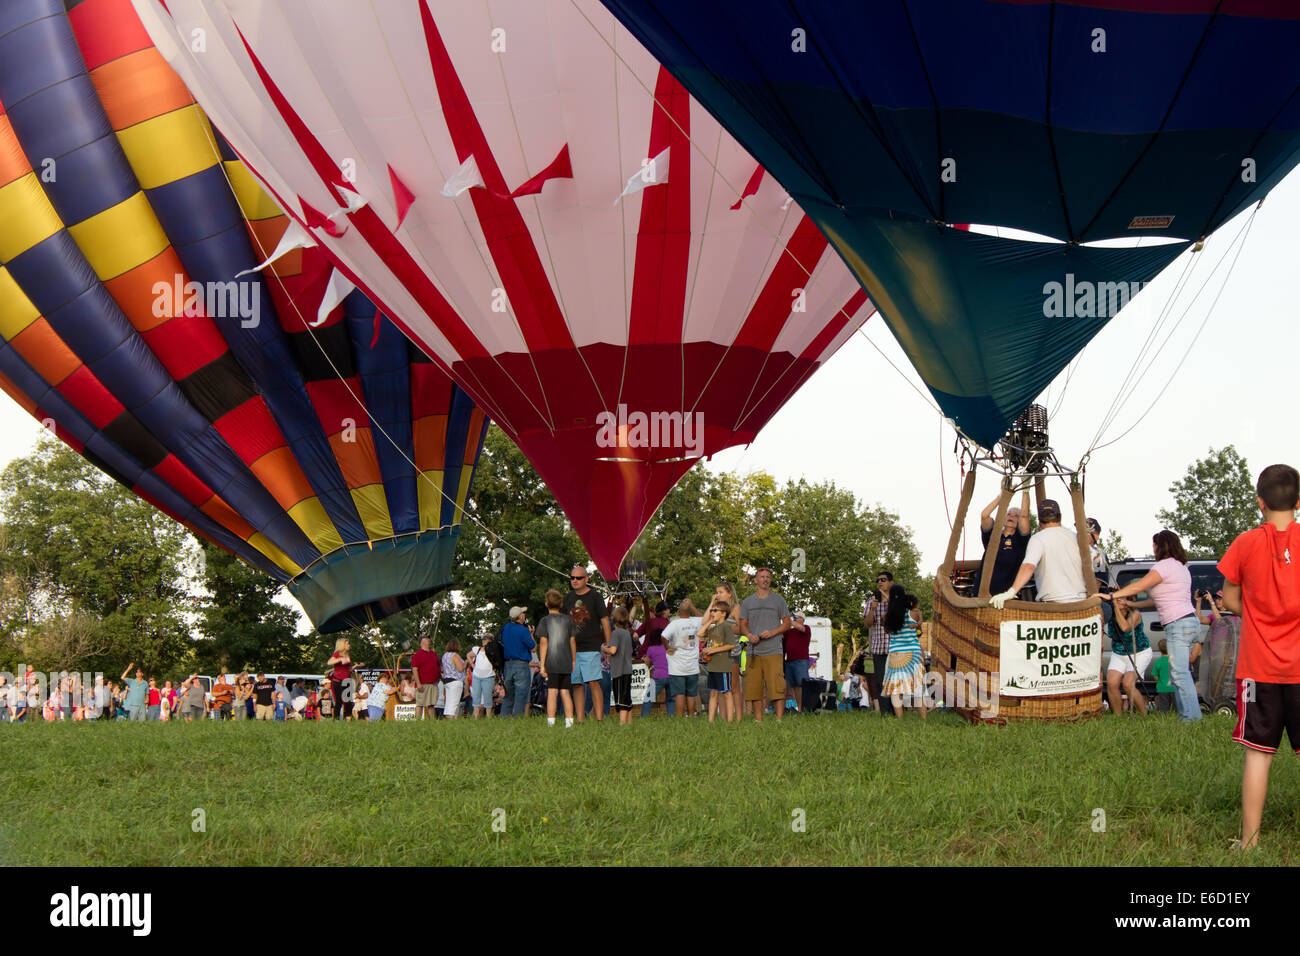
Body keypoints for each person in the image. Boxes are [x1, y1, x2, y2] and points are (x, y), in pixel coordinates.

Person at [1217, 463, 1300, 849]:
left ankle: (1249, 841)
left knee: (1258, 756)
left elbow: (1230, 598)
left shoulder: (1245, 543)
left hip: (1258, 671)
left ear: (1259, 502)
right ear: (1299, 502)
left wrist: (1255, 611)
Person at [1103, 530, 1200, 722]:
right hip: (1188, 621)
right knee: (1178, 672)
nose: (1153, 548)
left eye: (1154, 544)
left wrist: (1113, 596)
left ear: (1161, 546)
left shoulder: (1164, 566)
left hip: (1178, 624)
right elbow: (1157, 600)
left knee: (1180, 673)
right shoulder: (1180, 567)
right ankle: (1186, 714)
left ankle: (1191, 719)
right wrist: (1132, 604)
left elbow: (1140, 586)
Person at [990, 499, 1088, 608]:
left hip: (1054, 605)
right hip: (1081, 603)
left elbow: (1028, 566)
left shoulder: (1038, 539)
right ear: (1060, 516)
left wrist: (1011, 592)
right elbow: (1092, 562)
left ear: (1039, 521)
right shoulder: (1075, 537)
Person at [739, 567, 791, 722]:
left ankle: (779, 719)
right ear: (755, 580)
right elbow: (742, 624)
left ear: (770, 580)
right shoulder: (748, 602)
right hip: (754, 651)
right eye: (762, 577)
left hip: (774, 649)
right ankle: (758, 719)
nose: (765, 579)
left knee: (777, 686)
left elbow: (787, 623)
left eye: (768, 577)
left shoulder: (778, 600)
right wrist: (749, 635)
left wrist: (773, 632)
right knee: (754, 688)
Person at [564, 565, 611, 723]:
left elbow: (605, 621)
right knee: (576, 683)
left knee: (593, 681)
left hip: (591, 645)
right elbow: (563, 622)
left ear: (586, 579)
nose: (575, 581)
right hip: (572, 648)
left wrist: (608, 644)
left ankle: (599, 718)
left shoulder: (595, 597)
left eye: (579, 578)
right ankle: (580, 719)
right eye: (572, 578)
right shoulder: (568, 598)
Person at [880, 585, 927, 719]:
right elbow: (919, 628)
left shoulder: (886, 616)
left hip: (896, 655)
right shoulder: (914, 612)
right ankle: (923, 720)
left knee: (896, 689)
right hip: (914, 654)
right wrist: (918, 622)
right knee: (918, 688)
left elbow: (887, 632)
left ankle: (899, 719)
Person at [978, 490, 1031, 595]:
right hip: (983, 594)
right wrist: (1002, 496)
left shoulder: (1020, 540)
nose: (1011, 517)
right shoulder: (993, 536)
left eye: (1016, 516)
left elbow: (1025, 516)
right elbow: (984, 516)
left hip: (1006, 596)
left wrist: (1025, 491)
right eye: (1009, 514)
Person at [537, 589, 577, 727]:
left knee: (552, 692)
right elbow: (572, 641)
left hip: (552, 662)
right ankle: (570, 722)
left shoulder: (545, 621)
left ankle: (551, 723)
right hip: (566, 661)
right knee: (565, 691)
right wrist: (573, 660)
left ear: (546, 604)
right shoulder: (568, 620)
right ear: (561, 604)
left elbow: (543, 643)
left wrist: (542, 664)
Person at [1106, 596, 1150, 715]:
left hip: (1139, 653)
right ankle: (1118, 716)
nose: (1116, 601)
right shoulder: (1111, 613)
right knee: (1111, 683)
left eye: (1120, 599)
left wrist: (1115, 607)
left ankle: (1144, 715)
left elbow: (1125, 627)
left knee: (1128, 684)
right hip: (1118, 653)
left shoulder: (1135, 614)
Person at [662, 599, 702, 717]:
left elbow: (663, 636)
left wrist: (667, 648)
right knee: (691, 694)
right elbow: (703, 617)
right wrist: (693, 606)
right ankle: (691, 715)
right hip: (692, 665)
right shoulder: (696, 622)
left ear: (678, 612)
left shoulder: (674, 623)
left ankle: (679, 717)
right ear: (690, 611)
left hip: (677, 665)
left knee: (679, 694)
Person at [700, 602, 738, 722]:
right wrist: (709, 622)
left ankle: (730, 720)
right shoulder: (713, 628)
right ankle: (710, 721)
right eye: (711, 610)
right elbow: (699, 634)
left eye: (715, 610)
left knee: (726, 693)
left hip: (723, 666)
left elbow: (731, 645)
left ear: (723, 613)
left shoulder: (726, 627)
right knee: (713, 693)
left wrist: (713, 650)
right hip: (712, 666)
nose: (712, 613)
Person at [862, 574, 894, 715]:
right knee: (881, 681)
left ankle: (897, 710)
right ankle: (885, 713)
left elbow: (901, 617)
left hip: (895, 647)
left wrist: (888, 601)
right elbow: (867, 624)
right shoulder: (871, 601)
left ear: (891, 582)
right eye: (878, 581)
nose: (880, 582)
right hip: (878, 647)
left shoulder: (896, 600)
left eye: (883, 580)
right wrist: (873, 609)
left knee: (896, 681)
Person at [501, 606, 536, 717]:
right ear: (520, 616)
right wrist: (531, 634)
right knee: (521, 695)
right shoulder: (523, 630)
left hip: (508, 664)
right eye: (523, 613)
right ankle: (518, 719)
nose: (524, 615)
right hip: (521, 664)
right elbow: (533, 648)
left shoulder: (505, 628)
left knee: (508, 695)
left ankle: (504, 718)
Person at [603, 606, 635, 725]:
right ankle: (629, 723)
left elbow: (613, 650)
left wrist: (603, 649)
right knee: (627, 698)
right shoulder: (627, 633)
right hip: (627, 669)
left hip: (619, 671)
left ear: (614, 618)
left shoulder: (616, 633)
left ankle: (622, 724)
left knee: (620, 699)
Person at [639, 622, 671, 717]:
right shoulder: (668, 648)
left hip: (658, 677)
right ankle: (672, 718)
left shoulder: (651, 649)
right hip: (671, 676)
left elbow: (648, 664)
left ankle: (644, 718)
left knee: (648, 698)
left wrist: (644, 658)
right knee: (670, 700)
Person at [327, 638, 362, 721]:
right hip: (338, 681)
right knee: (338, 702)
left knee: (348, 702)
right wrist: (340, 659)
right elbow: (329, 662)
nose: (349, 645)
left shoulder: (347, 655)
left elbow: (348, 669)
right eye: (347, 644)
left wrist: (356, 666)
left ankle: (348, 720)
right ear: (342, 645)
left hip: (347, 680)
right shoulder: (337, 654)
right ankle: (336, 720)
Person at [783, 614, 812, 712]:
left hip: (801, 660)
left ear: (802, 619)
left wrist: (790, 621)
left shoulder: (806, 628)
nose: (795, 619)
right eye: (794, 617)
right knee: (794, 685)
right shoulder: (790, 631)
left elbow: (802, 629)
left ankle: (804, 707)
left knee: (802, 684)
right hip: (790, 661)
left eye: (797, 617)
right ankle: (799, 707)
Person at [411, 637, 441, 720]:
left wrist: (439, 678)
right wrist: (418, 683)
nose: (429, 640)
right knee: (420, 704)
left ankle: (432, 721)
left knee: (431, 704)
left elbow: (438, 666)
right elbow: (415, 670)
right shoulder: (417, 655)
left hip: (433, 683)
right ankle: (417, 721)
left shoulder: (433, 654)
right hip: (423, 683)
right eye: (427, 639)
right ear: (422, 642)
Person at [468, 635, 497, 718]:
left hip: (488, 676)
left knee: (487, 696)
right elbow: (468, 655)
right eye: (483, 639)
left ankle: (488, 716)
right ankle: (476, 717)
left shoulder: (493, 651)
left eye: (485, 639)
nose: (483, 641)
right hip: (477, 675)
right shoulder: (477, 649)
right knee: (476, 696)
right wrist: (473, 665)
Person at [441, 639, 466, 718]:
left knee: (448, 703)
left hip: (447, 680)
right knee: (454, 703)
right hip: (455, 681)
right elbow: (460, 668)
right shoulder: (455, 655)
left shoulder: (445, 656)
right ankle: (453, 718)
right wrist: (466, 662)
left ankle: (448, 717)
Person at [1151, 640, 1174, 712]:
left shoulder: (1158, 661)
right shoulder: (1174, 660)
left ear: (1159, 649)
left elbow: (1155, 675)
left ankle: (1164, 718)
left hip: (1162, 687)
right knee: (1176, 707)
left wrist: (1159, 681)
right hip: (1174, 687)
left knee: (1163, 707)